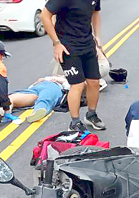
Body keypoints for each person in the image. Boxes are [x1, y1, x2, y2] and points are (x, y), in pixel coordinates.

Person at [41, 0, 106, 132]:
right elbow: (44, 15)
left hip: (88, 44)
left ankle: (91, 115)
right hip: (68, 47)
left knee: (94, 82)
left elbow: (96, 13)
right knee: (78, 84)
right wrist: (56, 43)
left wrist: (97, 36)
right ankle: (75, 122)